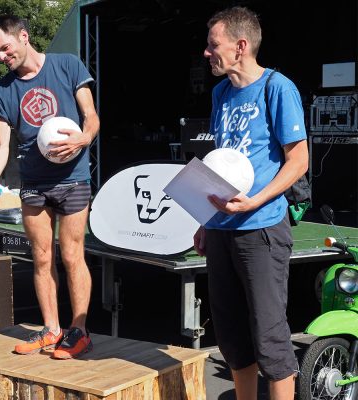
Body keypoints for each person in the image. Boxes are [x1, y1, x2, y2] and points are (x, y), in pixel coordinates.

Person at [194, 7, 308, 400]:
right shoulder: (221, 93)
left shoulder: (278, 88)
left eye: (214, 45)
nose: (207, 53)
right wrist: (203, 218)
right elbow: (223, 163)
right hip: (220, 231)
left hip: (261, 230)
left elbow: (299, 160)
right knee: (233, 340)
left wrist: (255, 201)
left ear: (240, 46)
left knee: (270, 338)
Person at [0, 15, 100, 359]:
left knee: (71, 254)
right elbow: (1, 143)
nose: (3, 57)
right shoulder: (3, 89)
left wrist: (83, 138)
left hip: (73, 177)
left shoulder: (67, 66)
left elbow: (91, 116)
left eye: (5, 48)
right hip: (33, 183)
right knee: (41, 256)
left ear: (23, 36)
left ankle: (79, 332)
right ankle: (51, 330)